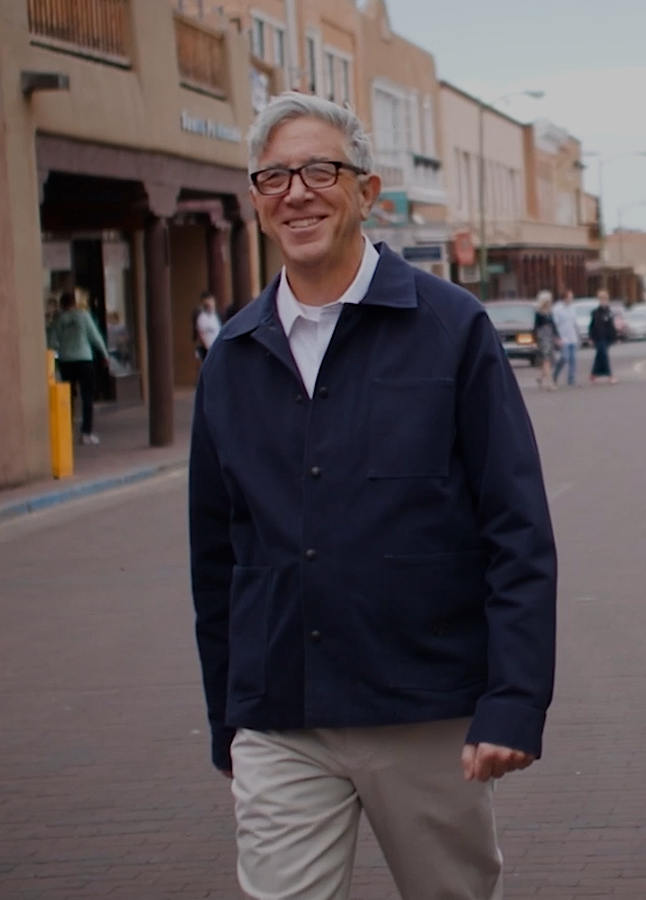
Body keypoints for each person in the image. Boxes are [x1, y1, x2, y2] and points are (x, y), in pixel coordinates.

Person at [190, 92, 557, 900]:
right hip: (282, 715)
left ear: (367, 192)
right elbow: (216, 557)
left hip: (425, 714)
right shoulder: (232, 359)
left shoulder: (452, 330)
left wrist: (513, 702)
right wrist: (229, 717)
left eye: (320, 170)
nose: (297, 192)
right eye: (275, 176)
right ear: (255, 201)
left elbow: (516, 530)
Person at [47, 289, 110, 445]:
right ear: (74, 302)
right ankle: (86, 433)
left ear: (62, 303)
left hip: (66, 360)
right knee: (87, 396)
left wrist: (56, 353)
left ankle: (66, 432)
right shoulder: (83, 316)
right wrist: (104, 354)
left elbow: (52, 342)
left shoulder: (58, 319)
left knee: (67, 397)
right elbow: (95, 336)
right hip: (84, 359)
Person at [552, 290, 581, 387]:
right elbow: (555, 324)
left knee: (572, 359)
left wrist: (578, 335)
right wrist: (556, 337)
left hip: (572, 337)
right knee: (565, 357)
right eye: (569, 297)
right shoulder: (558, 309)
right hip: (563, 337)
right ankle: (555, 374)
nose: (571, 299)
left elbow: (575, 323)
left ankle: (571, 379)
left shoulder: (572, 308)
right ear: (564, 298)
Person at [588, 289, 618, 384]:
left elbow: (612, 326)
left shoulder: (609, 311)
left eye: (605, 299)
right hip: (598, 338)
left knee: (599, 356)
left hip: (607, 337)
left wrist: (615, 337)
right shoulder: (595, 312)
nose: (604, 301)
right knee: (604, 355)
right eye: (602, 299)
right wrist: (591, 338)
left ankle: (593, 373)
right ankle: (610, 376)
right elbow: (592, 326)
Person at [532, 292, 559, 391]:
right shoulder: (538, 313)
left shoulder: (550, 313)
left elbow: (554, 325)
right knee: (547, 360)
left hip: (550, 336)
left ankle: (540, 378)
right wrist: (535, 341)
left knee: (548, 361)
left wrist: (557, 337)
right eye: (547, 301)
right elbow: (535, 327)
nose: (549, 303)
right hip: (542, 338)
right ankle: (550, 383)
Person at [194, 292, 223, 363]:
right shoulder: (201, 318)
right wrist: (209, 350)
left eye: (211, 303)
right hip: (207, 352)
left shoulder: (216, 316)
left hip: (217, 350)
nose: (210, 306)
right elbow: (200, 335)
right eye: (207, 305)